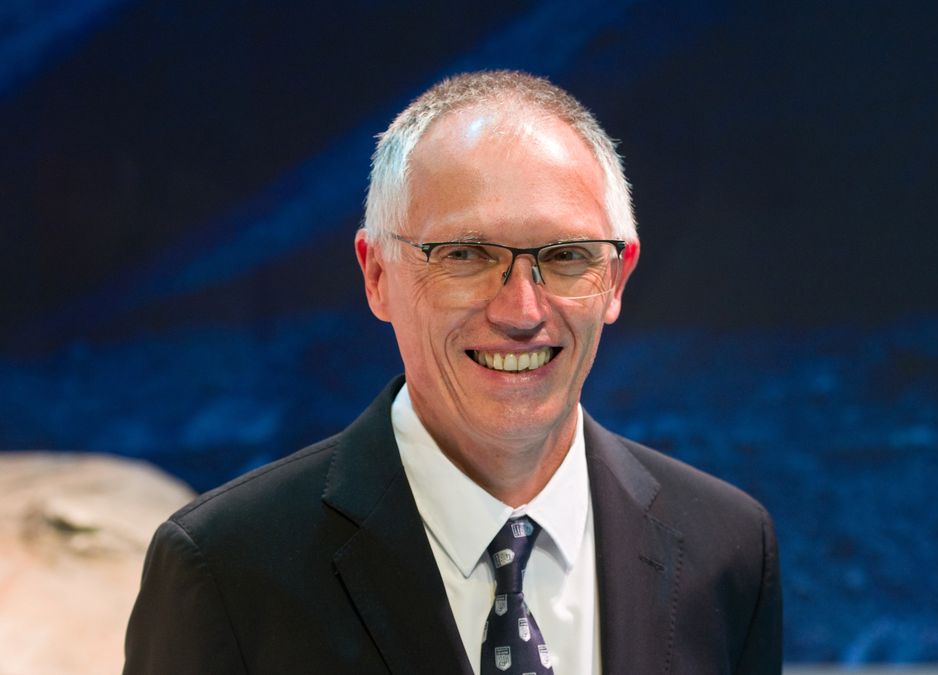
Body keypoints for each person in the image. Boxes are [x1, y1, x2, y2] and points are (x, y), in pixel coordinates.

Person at [124, 70, 781, 674]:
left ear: (617, 277)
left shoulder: (728, 549)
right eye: (465, 254)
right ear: (376, 275)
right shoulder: (225, 567)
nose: (522, 311)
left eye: (566, 255)